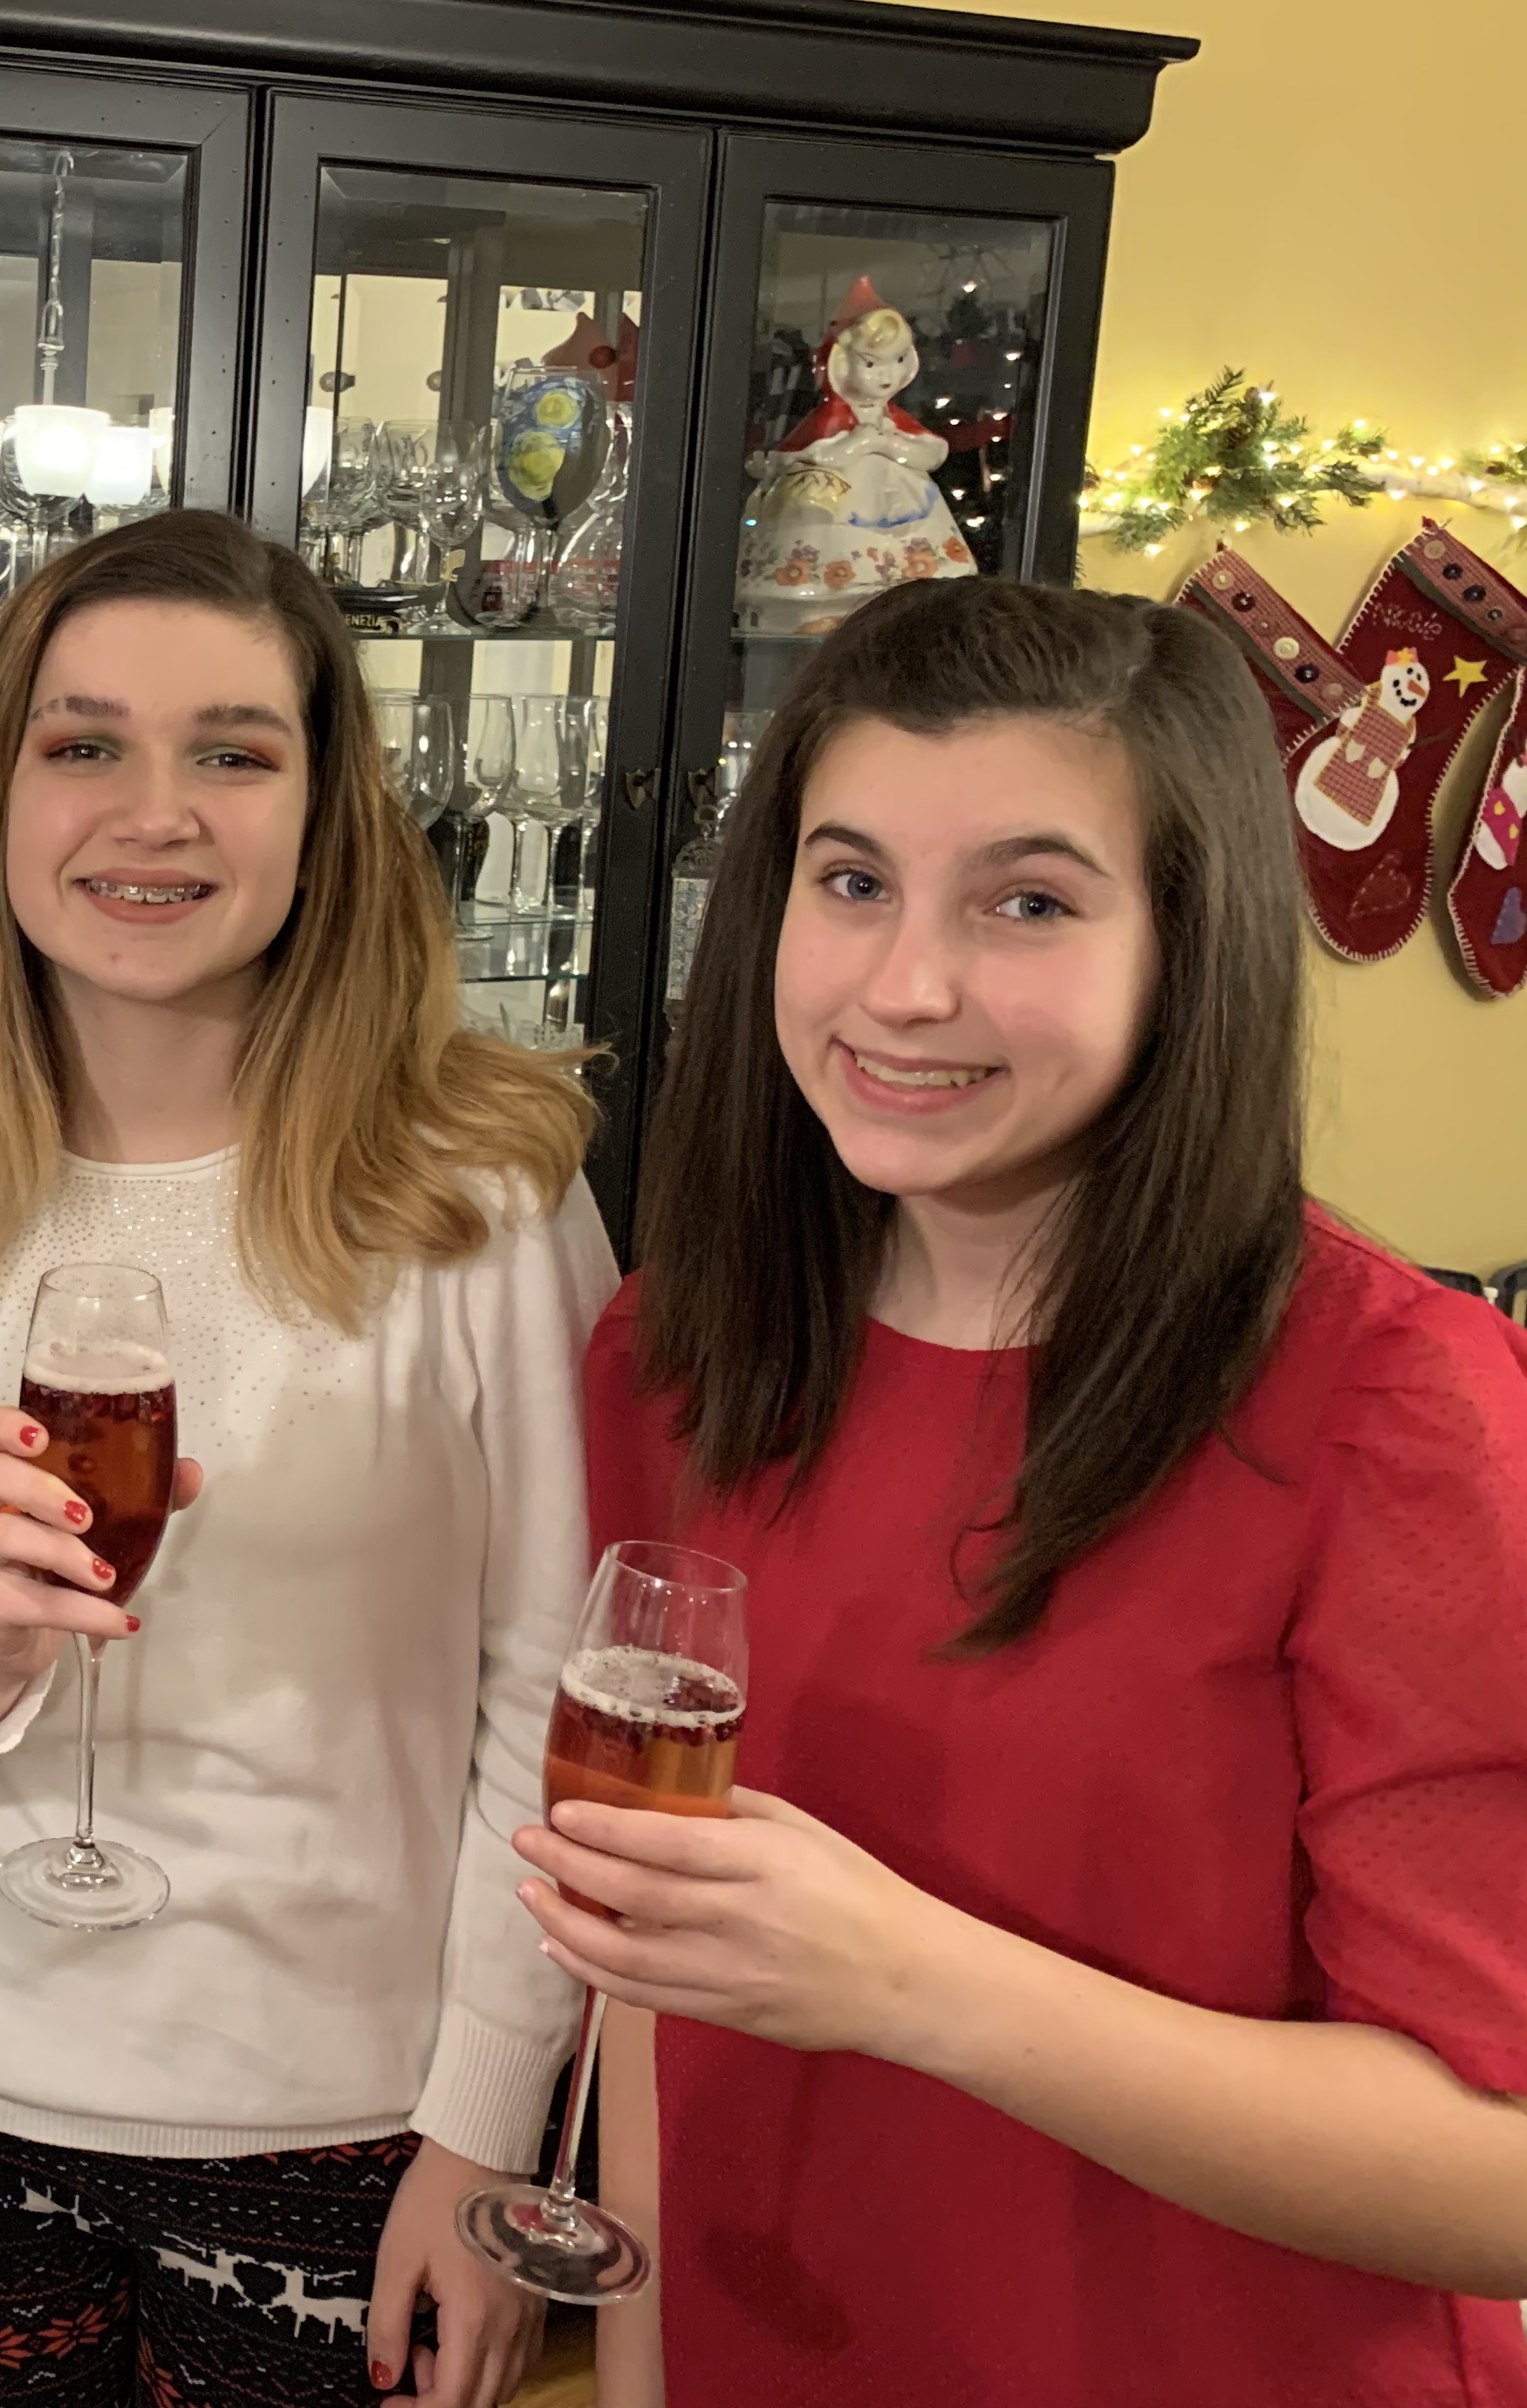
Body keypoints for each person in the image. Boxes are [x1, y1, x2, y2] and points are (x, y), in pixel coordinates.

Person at [541, 578, 1527, 2405]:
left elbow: (1500, 2178)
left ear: (1189, 944)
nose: (906, 987)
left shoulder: (1397, 1410)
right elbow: (659, 1967)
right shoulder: (680, 1350)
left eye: (1030, 902)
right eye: (852, 882)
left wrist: (917, 1986)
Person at [0, 510, 614, 2408]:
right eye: (83, 744)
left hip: (345, 2126)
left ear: (325, 814)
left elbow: (558, 1701)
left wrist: (489, 2127)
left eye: (232, 753)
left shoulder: (485, 1194)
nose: (153, 814)